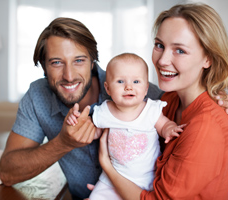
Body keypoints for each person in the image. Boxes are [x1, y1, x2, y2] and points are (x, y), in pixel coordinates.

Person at [0, 17, 228, 199]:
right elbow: (8, 172)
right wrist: (63, 143)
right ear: (42, 66)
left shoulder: (145, 95)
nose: (69, 75)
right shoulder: (37, 96)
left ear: (93, 59)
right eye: (55, 63)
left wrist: (218, 101)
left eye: (79, 60)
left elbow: (198, 113)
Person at [98, 3, 228, 200]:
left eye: (179, 50)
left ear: (208, 58)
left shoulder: (207, 123)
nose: (162, 60)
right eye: (159, 45)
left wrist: (107, 166)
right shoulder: (168, 100)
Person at [67, 53, 185, 199]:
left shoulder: (151, 110)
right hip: (110, 182)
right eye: (120, 81)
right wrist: (78, 123)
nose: (129, 87)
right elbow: (94, 132)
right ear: (108, 88)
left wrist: (170, 130)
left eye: (136, 82)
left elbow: (164, 125)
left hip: (146, 180)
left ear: (146, 88)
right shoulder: (104, 111)